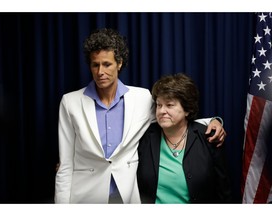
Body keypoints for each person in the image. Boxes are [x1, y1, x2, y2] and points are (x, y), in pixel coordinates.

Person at [54, 28, 226, 204]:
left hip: (127, 195)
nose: (100, 72)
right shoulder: (70, 102)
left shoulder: (141, 97)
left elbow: (172, 116)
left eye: (107, 64)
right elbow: (65, 164)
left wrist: (210, 122)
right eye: (95, 65)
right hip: (85, 196)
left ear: (119, 63)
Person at [137, 73, 232, 203]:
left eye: (169, 105)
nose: (161, 111)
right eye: (159, 105)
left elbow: (223, 191)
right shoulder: (144, 137)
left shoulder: (209, 137)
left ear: (187, 109)